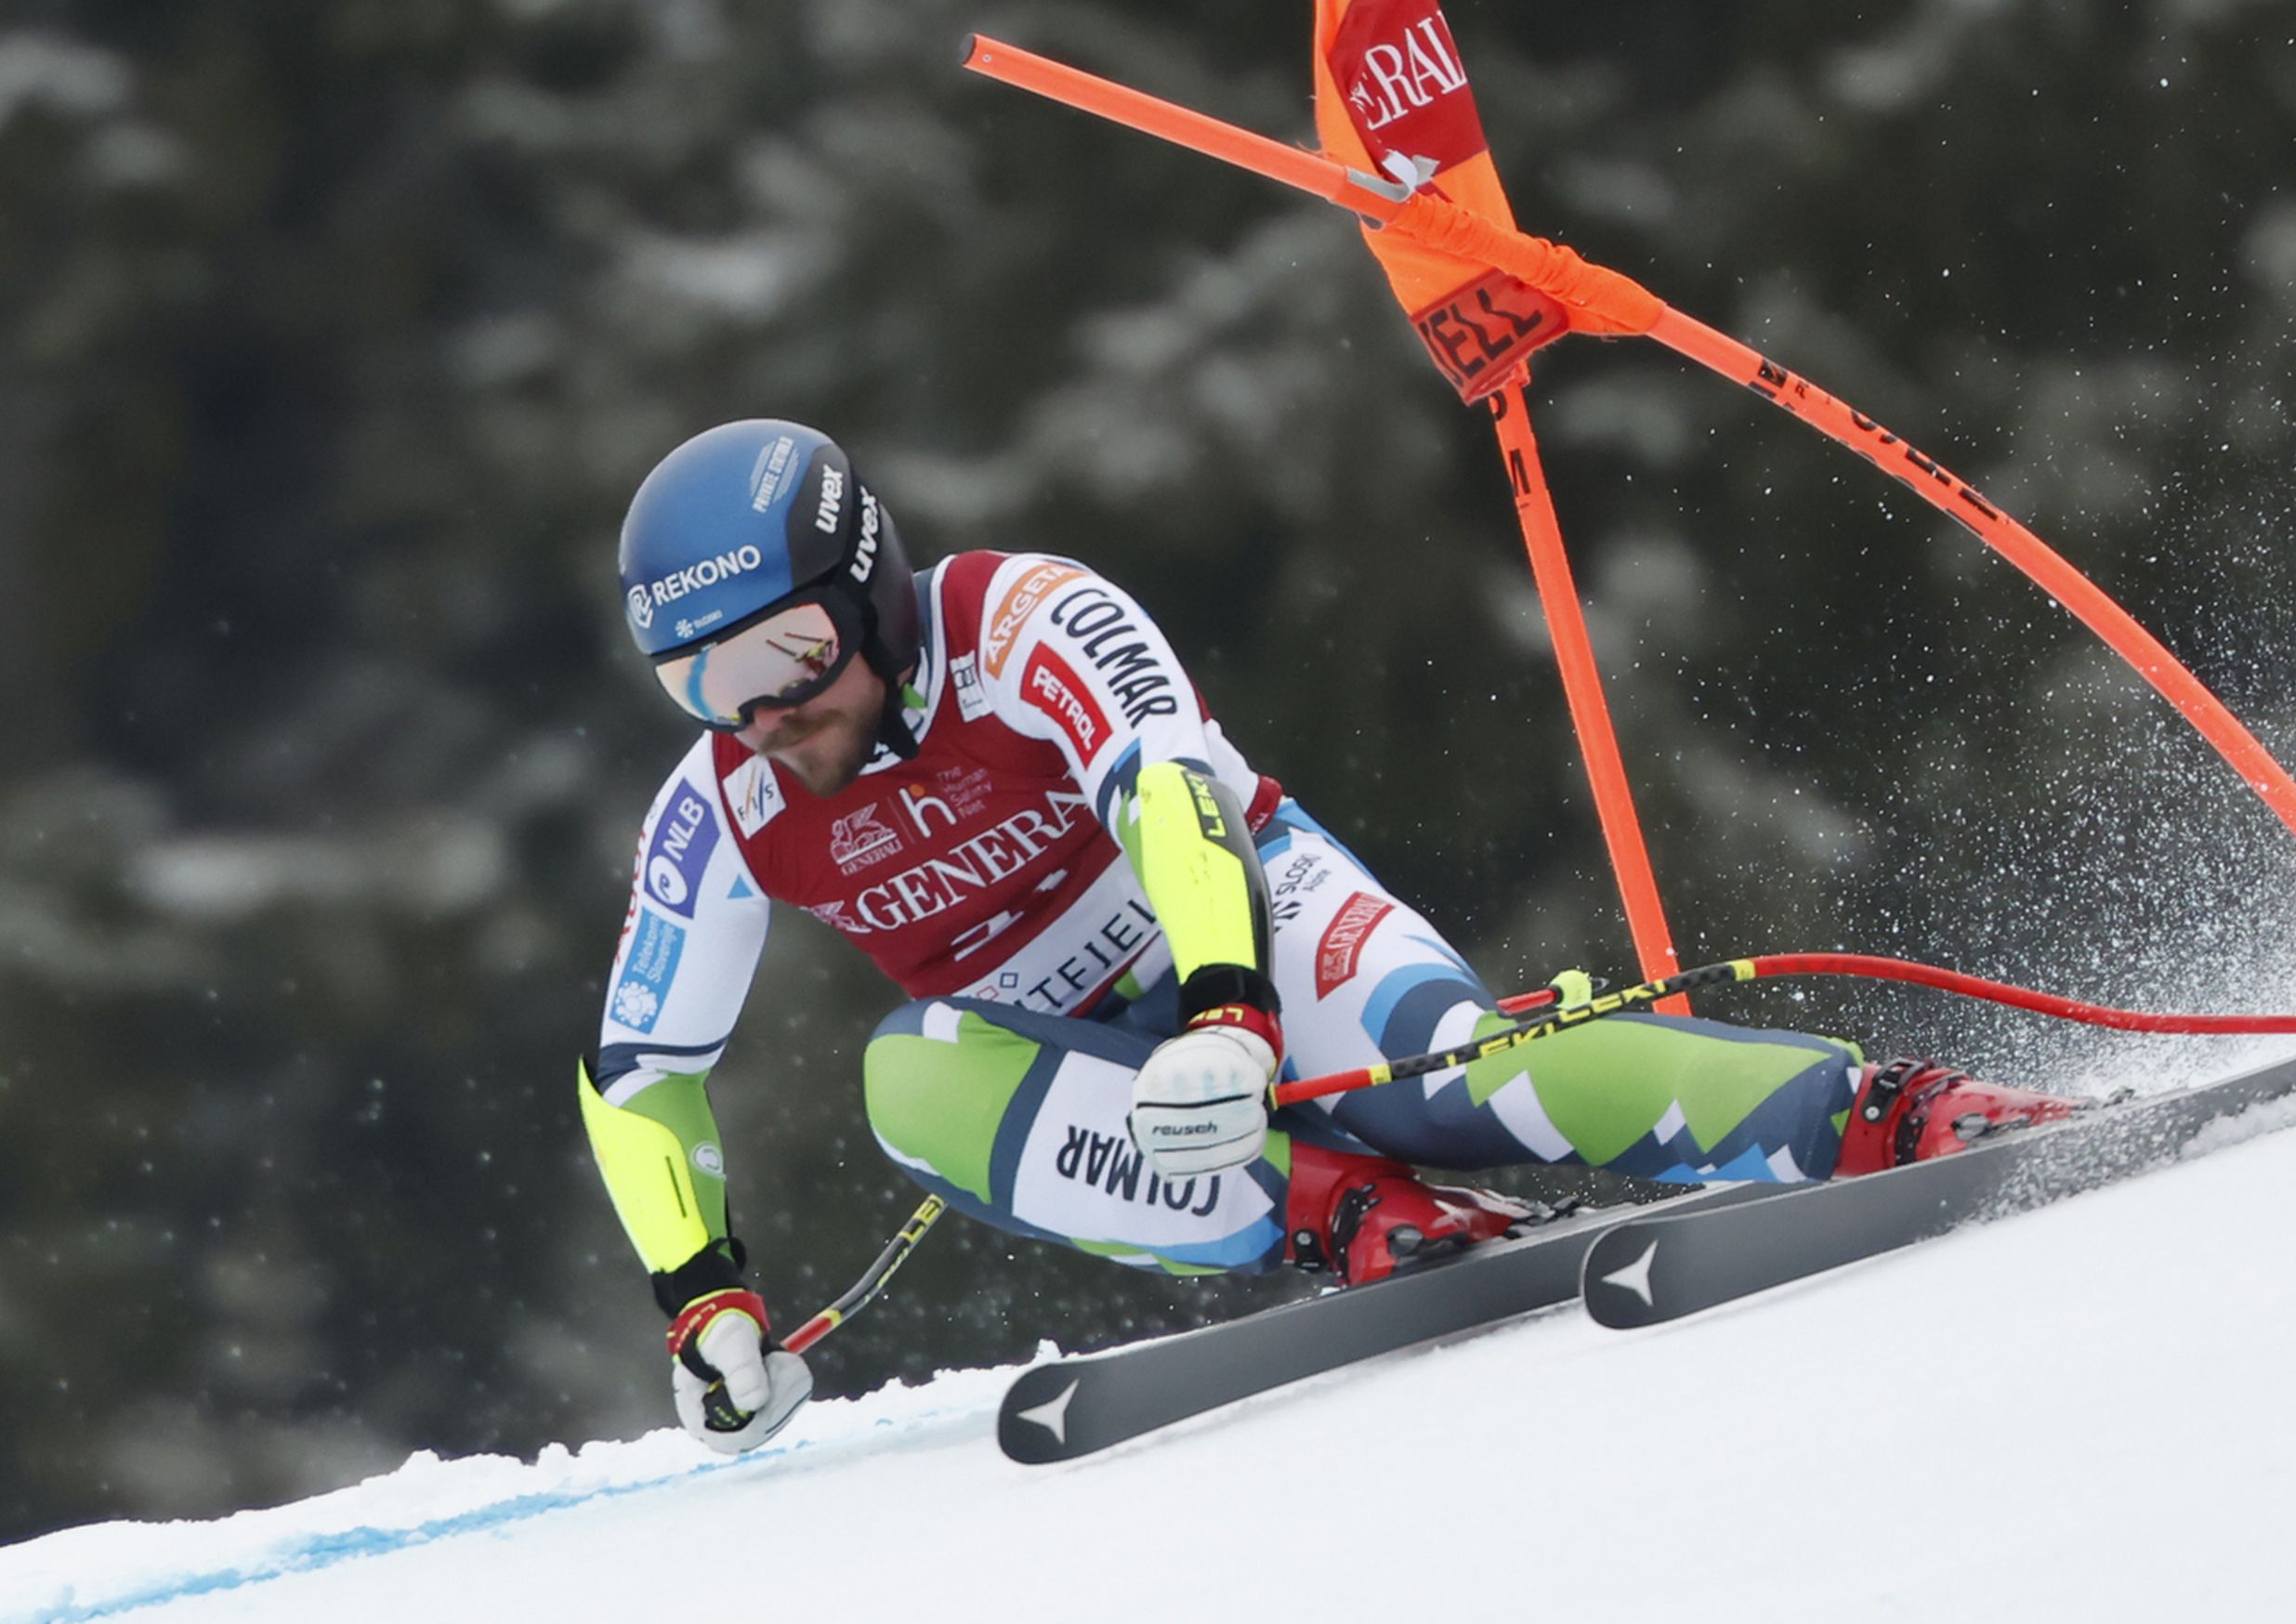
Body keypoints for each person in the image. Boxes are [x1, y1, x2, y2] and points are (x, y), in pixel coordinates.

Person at [581, 418, 2078, 1451]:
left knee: (1456, 1082)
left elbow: (1172, 796)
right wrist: (702, 1298)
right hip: (1092, 1057)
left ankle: (1876, 1113)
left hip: (1247, 919)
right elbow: (638, 1070)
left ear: (869, 588)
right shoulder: (720, 803)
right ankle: (1355, 1217)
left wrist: (1230, 1010)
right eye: (705, 687)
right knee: (909, 1080)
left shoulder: (1023, 616)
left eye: (787, 654)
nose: (764, 713)